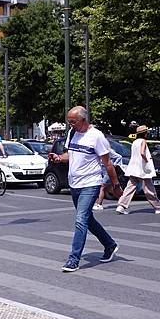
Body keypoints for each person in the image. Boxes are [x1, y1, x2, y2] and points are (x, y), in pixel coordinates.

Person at [48, 107, 122, 272]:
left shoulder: (96, 136)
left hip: (91, 183)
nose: (70, 125)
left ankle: (73, 260)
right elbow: (71, 154)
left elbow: (108, 163)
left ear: (83, 120)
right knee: (88, 220)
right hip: (74, 184)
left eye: (73, 122)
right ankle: (110, 245)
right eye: (69, 121)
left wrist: (116, 186)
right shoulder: (72, 133)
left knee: (80, 220)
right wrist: (59, 158)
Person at [115, 125, 160, 215]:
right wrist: (146, 160)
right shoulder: (143, 141)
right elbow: (142, 152)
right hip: (142, 168)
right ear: (145, 133)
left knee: (130, 187)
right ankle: (158, 207)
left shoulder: (135, 142)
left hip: (133, 167)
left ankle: (121, 206)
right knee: (149, 189)